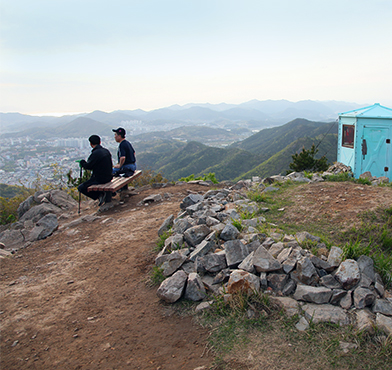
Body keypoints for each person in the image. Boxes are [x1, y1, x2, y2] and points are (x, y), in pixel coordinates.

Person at [78, 135, 113, 206]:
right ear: (100, 142)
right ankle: (104, 194)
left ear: (91, 144)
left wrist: (82, 163)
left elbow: (89, 166)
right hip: (109, 177)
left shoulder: (95, 153)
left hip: (100, 179)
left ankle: (100, 195)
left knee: (81, 187)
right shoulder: (106, 151)